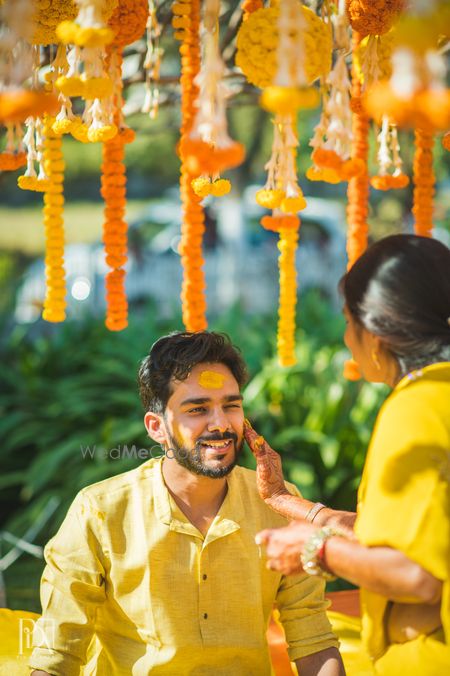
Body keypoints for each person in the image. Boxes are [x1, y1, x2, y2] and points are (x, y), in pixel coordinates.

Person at [30, 331, 346, 675]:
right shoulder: (101, 511)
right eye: (197, 409)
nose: (221, 424)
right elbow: (57, 651)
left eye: (231, 406)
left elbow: (313, 637)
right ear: (157, 427)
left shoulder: (279, 506)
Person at [244, 234, 450, 675]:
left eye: (347, 321)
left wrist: (315, 550)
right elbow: (414, 532)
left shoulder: (415, 406)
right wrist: (289, 503)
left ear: (373, 334)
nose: (345, 337)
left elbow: (416, 574)